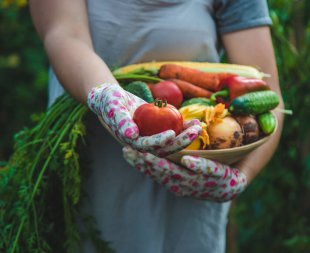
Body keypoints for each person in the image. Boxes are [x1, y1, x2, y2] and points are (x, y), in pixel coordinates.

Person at [29, 0, 284, 252]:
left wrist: (242, 175)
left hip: (192, 200)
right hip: (88, 180)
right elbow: (63, 35)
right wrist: (106, 94)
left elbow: (267, 93)